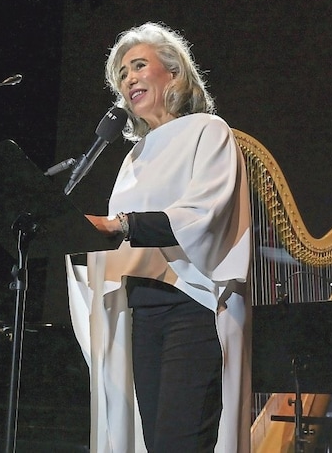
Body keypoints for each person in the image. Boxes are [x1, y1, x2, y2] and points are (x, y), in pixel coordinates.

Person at [66, 22, 252, 452]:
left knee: (179, 441)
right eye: (122, 75)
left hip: (193, 306)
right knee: (155, 442)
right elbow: (118, 241)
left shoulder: (209, 130)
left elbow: (200, 214)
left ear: (173, 73)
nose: (129, 79)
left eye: (138, 66)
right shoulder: (133, 154)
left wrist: (120, 225)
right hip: (141, 312)